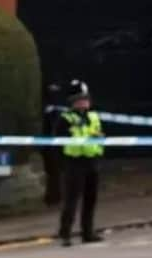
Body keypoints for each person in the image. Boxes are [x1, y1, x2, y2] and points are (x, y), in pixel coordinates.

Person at [54, 79, 104, 247]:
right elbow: (60, 141)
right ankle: (65, 233)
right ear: (72, 102)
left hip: (92, 161)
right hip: (74, 163)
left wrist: (99, 138)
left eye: (86, 98)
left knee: (91, 198)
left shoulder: (94, 116)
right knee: (71, 199)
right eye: (80, 99)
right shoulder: (65, 119)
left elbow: (98, 134)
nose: (84, 102)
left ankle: (87, 232)